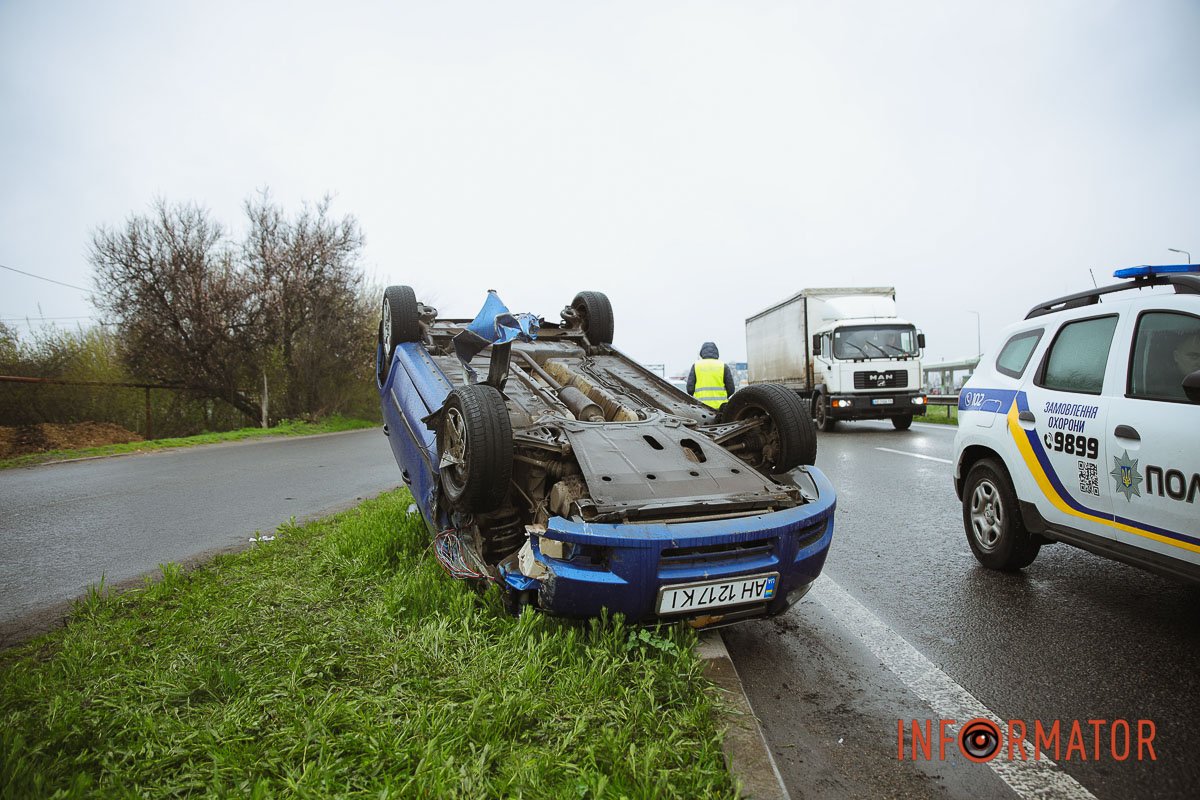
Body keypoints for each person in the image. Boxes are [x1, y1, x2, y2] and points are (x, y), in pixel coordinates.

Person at [687, 342, 736, 409]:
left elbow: (690, 389)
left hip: (701, 407)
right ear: (716, 352)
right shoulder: (723, 366)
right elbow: (731, 389)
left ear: (702, 352)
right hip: (720, 407)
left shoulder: (696, 366)